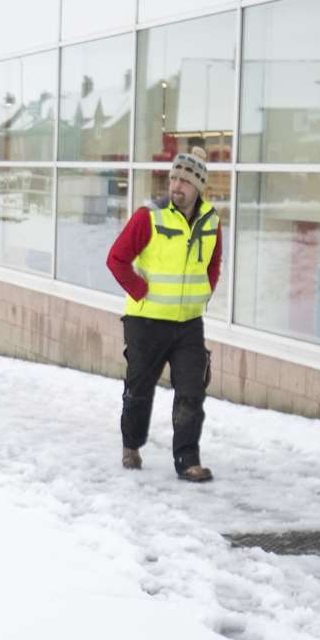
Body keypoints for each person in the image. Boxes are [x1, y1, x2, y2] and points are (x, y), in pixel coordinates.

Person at [105, 145, 221, 482]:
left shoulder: (211, 220)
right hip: (146, 322)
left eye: (184, 181)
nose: (176, 186)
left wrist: (204, 293)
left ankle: (187, 460)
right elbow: (117, 259)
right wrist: (140, 291)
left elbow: (213, 264)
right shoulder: (149, 216)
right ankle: (131, 445)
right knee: (140, 389)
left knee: (191, 392)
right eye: (173, 178)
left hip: (188, 324)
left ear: (199, 187)